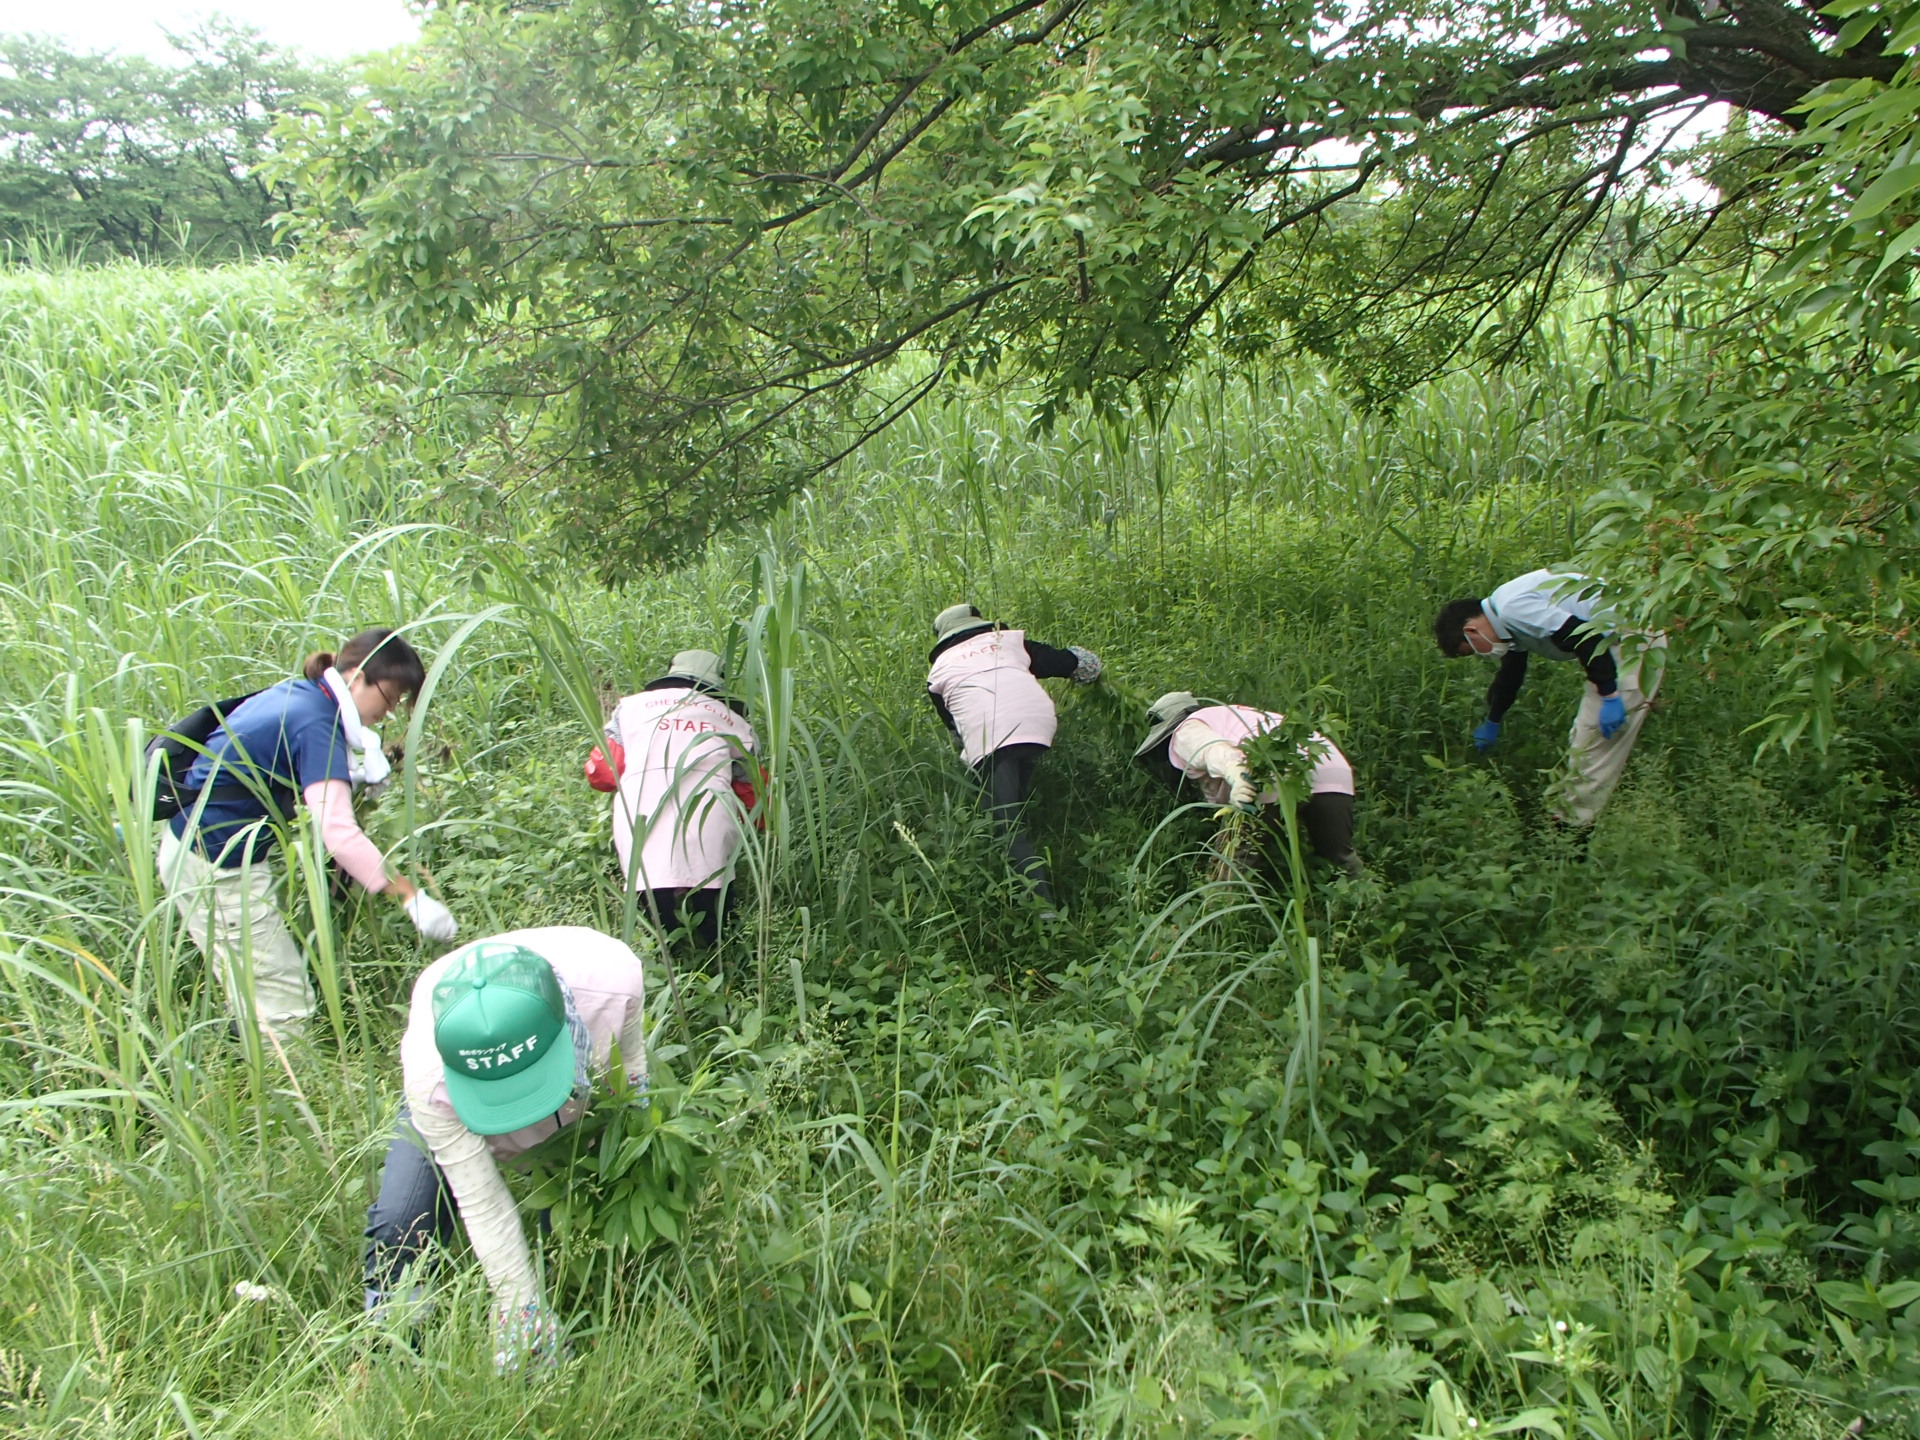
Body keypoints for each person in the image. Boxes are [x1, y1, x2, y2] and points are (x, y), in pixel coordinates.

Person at [362, 927, 647, 1370]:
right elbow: (483, 1201)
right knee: (402, 1219)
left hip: (575, 1092)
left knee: (575, 1217)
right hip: (451, 1097)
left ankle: (589, 1305)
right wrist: (522, 1310)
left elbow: (630, 1073)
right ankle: (393, 1349)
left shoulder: (613, 982)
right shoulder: (429, 1073)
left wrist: (633, 1143)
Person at [156, 627, 458, 1042]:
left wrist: (348, 774)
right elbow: (338, 832)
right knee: (283, 1000)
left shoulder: (302, 695)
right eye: (388, 698)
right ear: (356, 677)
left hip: (191, 848)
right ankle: (285, 1090)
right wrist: (410, 896)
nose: (387, 714)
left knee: (249, 985)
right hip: (215, 867)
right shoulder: (318, 723)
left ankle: (252, 1060)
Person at [1433, 568, 1664, 826]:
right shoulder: (1504, 615)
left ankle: (1572, 830)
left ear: (1472, 631)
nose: (1480, 655)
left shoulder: (1512, 609)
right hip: (1616, 637)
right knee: (1585, 738)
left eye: (1472, 651)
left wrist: (1610, 695)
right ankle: (1568, 817)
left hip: (1633, 638)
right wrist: (1493, 719)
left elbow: (1584, 637)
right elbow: (1511, 674)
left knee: (1594, 743)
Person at [925, 603, 1102, 912]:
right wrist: (1092, 669)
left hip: (991, 735)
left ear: (943, 639)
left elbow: (956, 731)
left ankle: (1045, 913)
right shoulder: (1007, 641)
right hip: (1038, 722)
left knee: (1004, 828)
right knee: (1014, 791)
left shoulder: (938, 672)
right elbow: (1074, 663)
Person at [584, 649, 757, 951]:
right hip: (710, 825)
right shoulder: (733, 720)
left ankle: (669, 971)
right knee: (716, 924)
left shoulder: (629, 709)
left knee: (658, 929)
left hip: (641, 825)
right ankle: (723, 968)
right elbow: (752, 791)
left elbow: (603, 775)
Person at [1135, 693, 1363, 875]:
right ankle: (1369, 901)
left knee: (1229, 871)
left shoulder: (1187, 729)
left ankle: (1221, 924)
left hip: (1267, 776)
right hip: (1330, 766)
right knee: (1339, 858)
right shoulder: (1234, 714)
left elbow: (1212, 749)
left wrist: (1236, 774)